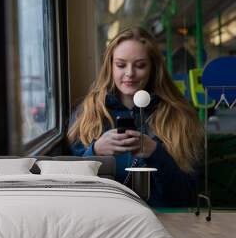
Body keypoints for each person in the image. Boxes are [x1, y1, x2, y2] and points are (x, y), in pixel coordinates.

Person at [67, 27, 204, 207]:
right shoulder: (87, 115)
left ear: (153, 67)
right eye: (121, 65)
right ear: (110, 66)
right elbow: (70, 187)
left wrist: (156, 153)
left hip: (165, 221)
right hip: (106, 218)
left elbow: (187, 196)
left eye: (140, 65)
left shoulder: (179, 118)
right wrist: (95, 151)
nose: (130, 73)